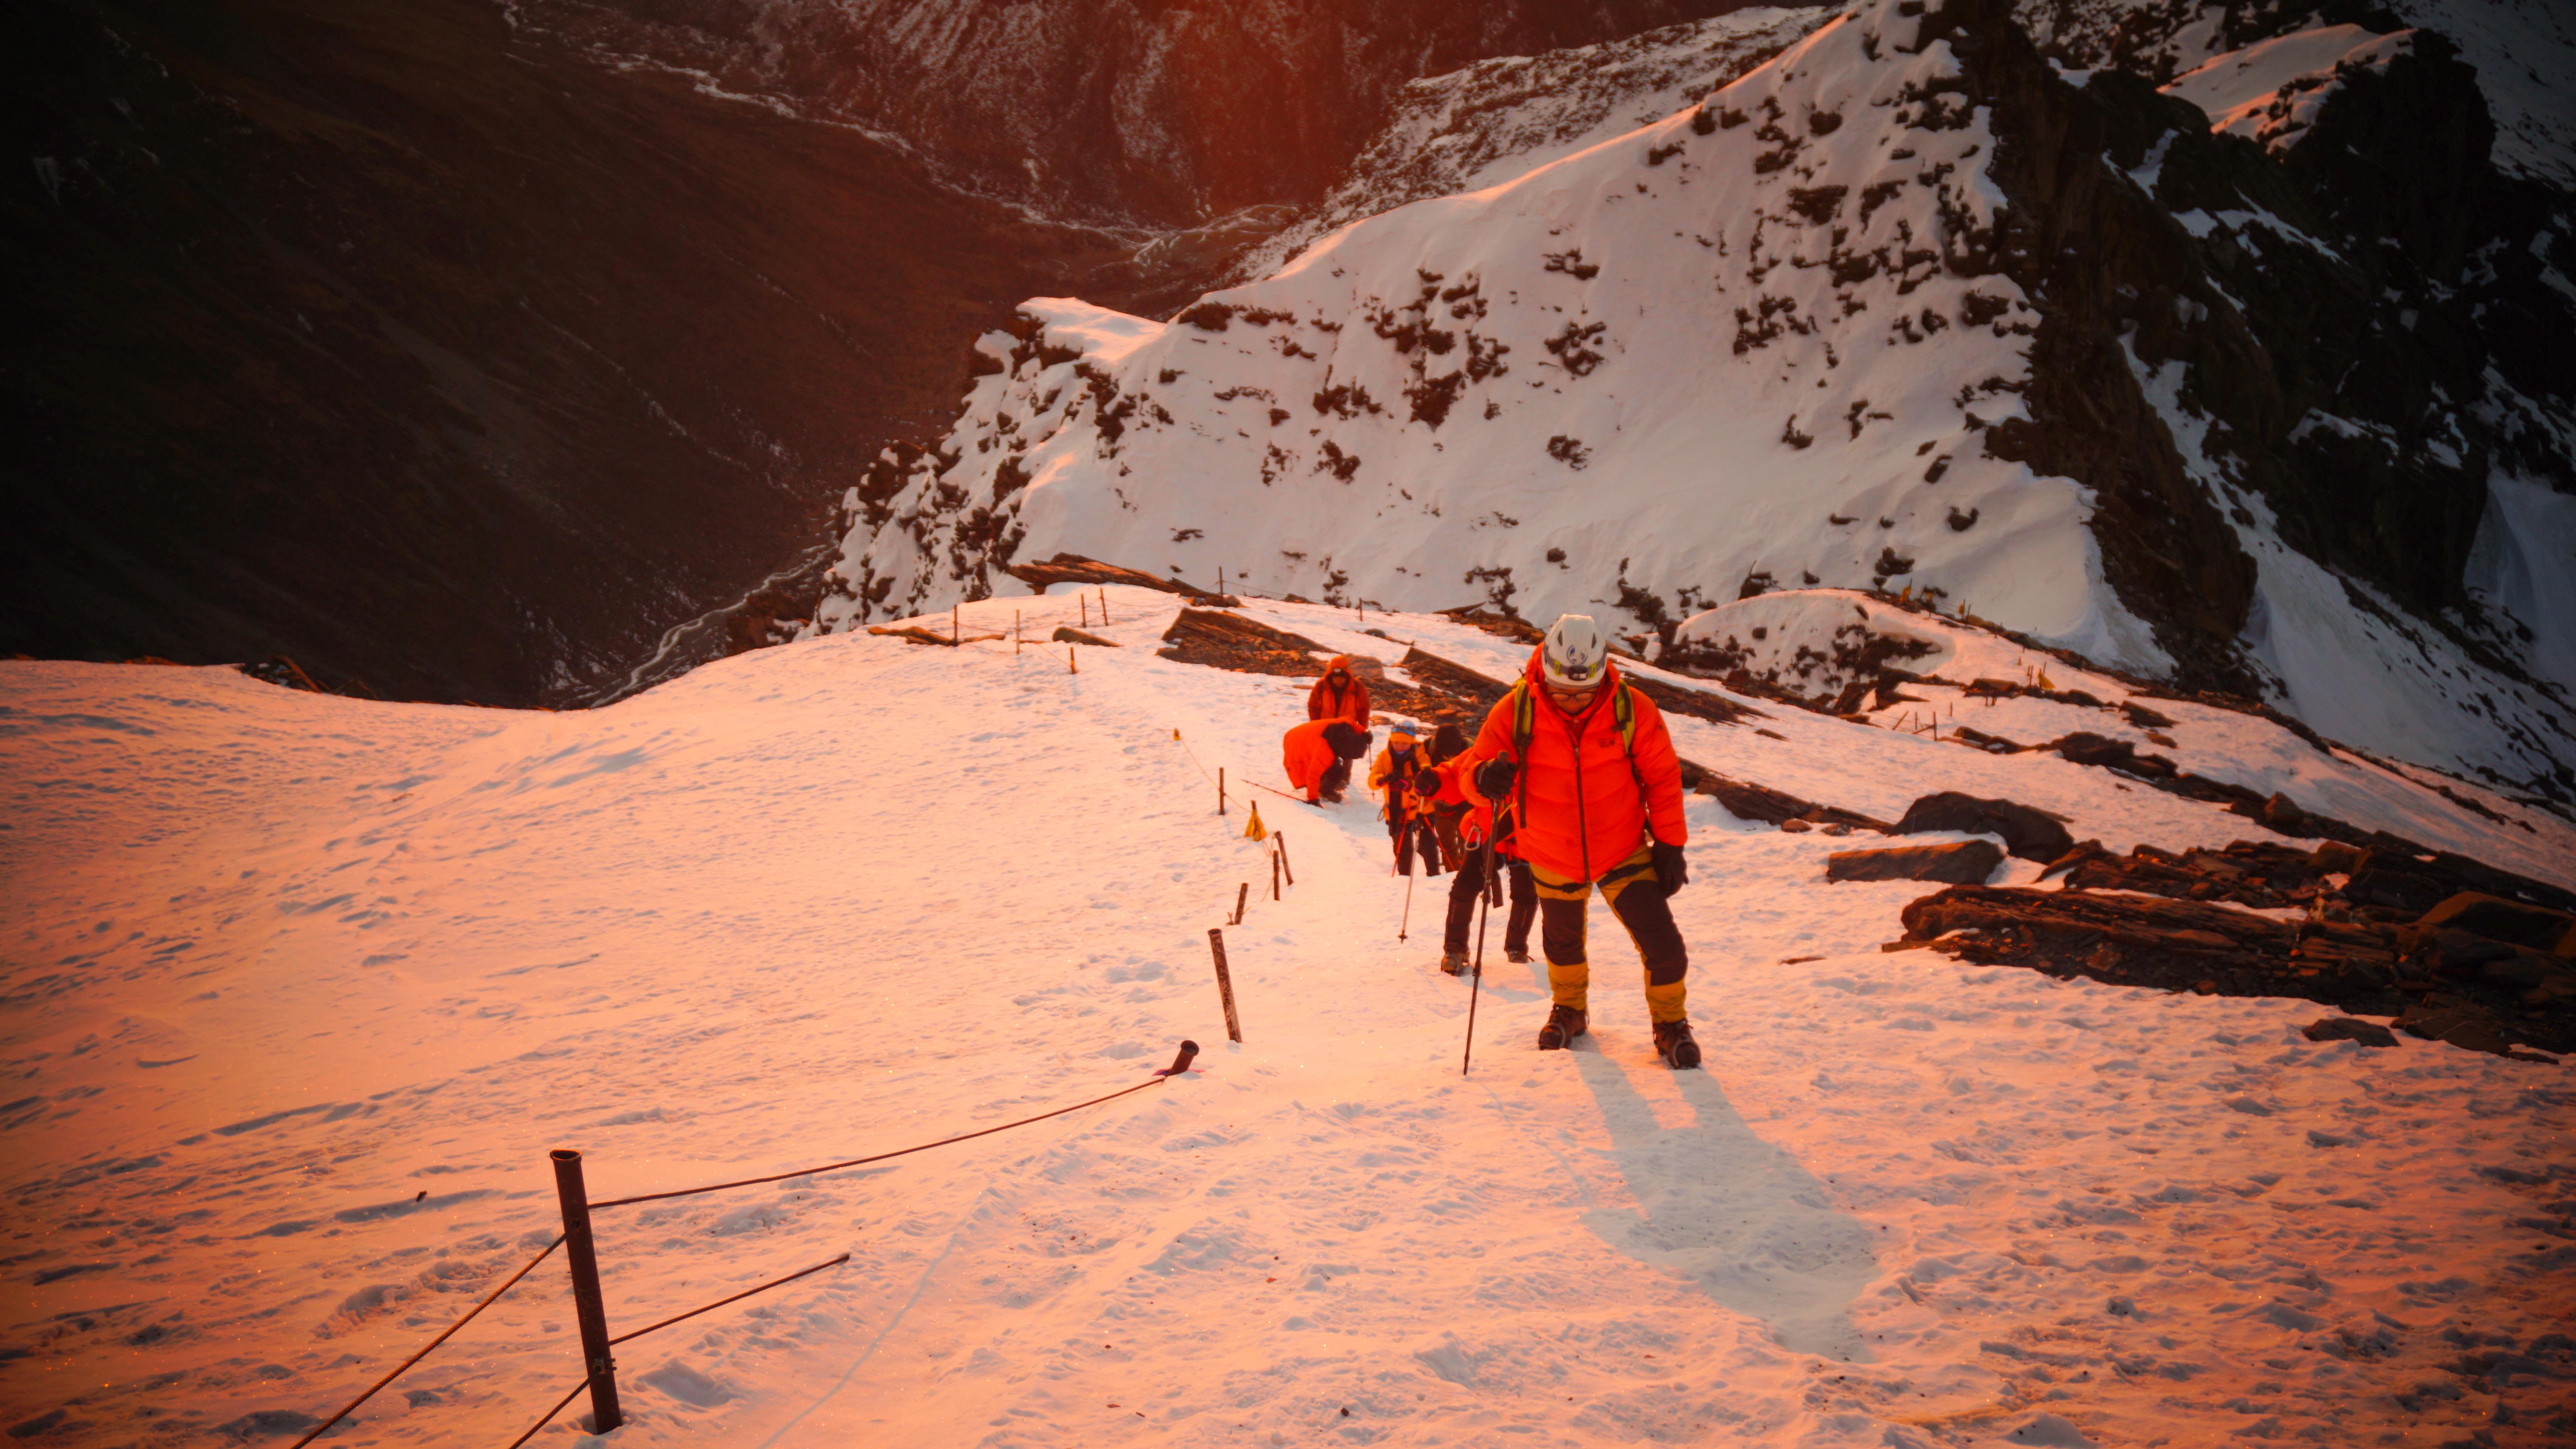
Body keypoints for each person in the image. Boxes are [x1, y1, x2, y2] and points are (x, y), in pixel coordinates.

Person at [1452, 614, 1699, 1068]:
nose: (1571, 702)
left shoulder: (1633, 709)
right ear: (1544, 673)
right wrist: (1484, 779)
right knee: (1561, 946)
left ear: (1603, 675)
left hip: (1622, 849)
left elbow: (1663, 779)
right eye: (1562, 691)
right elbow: (1471, 772)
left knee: (1664, 947)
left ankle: (1670, 1024)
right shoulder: (1515, 710)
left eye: (1582, 694)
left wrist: (1670, 845)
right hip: (1549, 851)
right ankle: (1569, 1010)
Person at [1417, 724, 1534, 974]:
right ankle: (1455, 949)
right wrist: (1435, 780)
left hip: (1528, 835)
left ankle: (1516, 948)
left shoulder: (1552, 748)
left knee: (1527, 893)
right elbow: (1459, 769)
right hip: (1487, 828)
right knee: (1466, 886)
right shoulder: (1499, 736)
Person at [1367, 728, 1440, 875]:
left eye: (1405, 743)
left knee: (1429, 846)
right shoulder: (1385, 756)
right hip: (1396, 813)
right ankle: (1404, 878)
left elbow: (1427, 784)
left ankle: (1434, 876)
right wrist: (1381, 780)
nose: (1400, 746)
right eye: (1397, 742)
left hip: (1421, 809)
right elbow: (1373, 778)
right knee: (1402, 850)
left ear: (1412, 743)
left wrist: (1409, 786)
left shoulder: (1421, 756)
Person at [1307, 658, 1371, 800]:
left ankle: (1345, 779)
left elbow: (1364, 709)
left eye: (1341, 678)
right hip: (1326, 727)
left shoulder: (1357, 687)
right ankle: (1326, 780)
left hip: (1347, 729)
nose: (1338, 681)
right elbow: (1313, 706)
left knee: (1348, 755)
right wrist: (1316, 726)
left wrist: (1361, 730)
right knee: (1326, 755)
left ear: (1347, 675)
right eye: (1336, 678)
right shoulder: (1321, 686)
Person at [1283, 718, 1372, 804]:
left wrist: (1364, 733)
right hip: (1295, 741)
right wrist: (1313, 800)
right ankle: (1324, 791)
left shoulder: (1346, 727)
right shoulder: (1325, 751)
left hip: (1307, 734)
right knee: (1331, 769)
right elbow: (1313, 775)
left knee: (1337, 770)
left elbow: (1352, 722)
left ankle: (1326, 786)